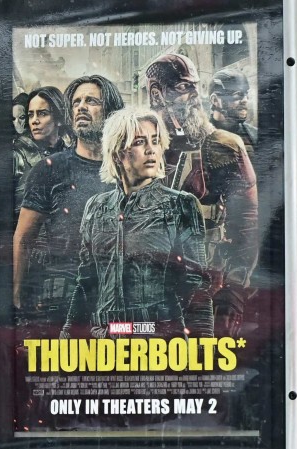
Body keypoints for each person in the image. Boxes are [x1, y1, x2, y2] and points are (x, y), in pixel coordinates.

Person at [60, 107, 213, 340]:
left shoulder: (180, 205)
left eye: (155, 141)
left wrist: (204, 349)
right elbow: (85, 283)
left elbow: (196, 286)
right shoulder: (96, 207)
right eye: (140, 142)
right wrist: (66, 339)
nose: (152, 149)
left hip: (161, 342)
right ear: (118, 151)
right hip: (104, 342)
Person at [146, 54, 258, 337]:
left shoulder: (222, 146)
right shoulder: (138, 147)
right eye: (184, 87)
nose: (195, 95)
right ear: (157, 94)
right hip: (148, 293)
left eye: (195, 86)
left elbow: (247, 223)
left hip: (206, 289)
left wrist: (233, 292)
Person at [12, 75, 124, 332]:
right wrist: (16, 297)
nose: (81, 107)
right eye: (76, 102)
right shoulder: (49, 169)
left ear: (110, 112)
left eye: (91, 101)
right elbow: (23, 238)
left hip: (116, 299)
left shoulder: (127, 168)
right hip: (61, 297)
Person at [13, 86, 70, 211]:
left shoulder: (71, 155)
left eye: (42, 114)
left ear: (59, 119)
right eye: (30, 115)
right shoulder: (16, 155)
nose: (34, 121)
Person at [209, 67, 257, 153]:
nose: (245, 100)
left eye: (246, 95)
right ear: (215, 100)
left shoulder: (254, 135)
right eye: (238, 94)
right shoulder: (199, 138)